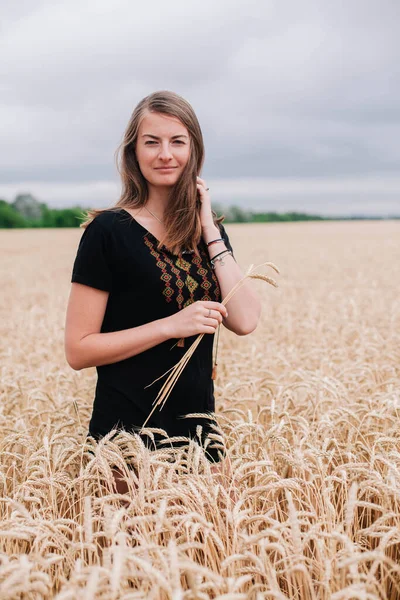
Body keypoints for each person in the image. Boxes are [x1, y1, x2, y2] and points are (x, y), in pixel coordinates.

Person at [64, 90, 261, 496]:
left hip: (200, 440)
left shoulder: (209, 232)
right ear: (133, 152)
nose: (165, 154)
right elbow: (78, 350)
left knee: (209, 556)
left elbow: (245, 319)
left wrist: (208, 226)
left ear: (194, 150)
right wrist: (169, 326)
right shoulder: (108, 232)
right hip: (125, 444)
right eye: (151, 142)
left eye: (177, 141)